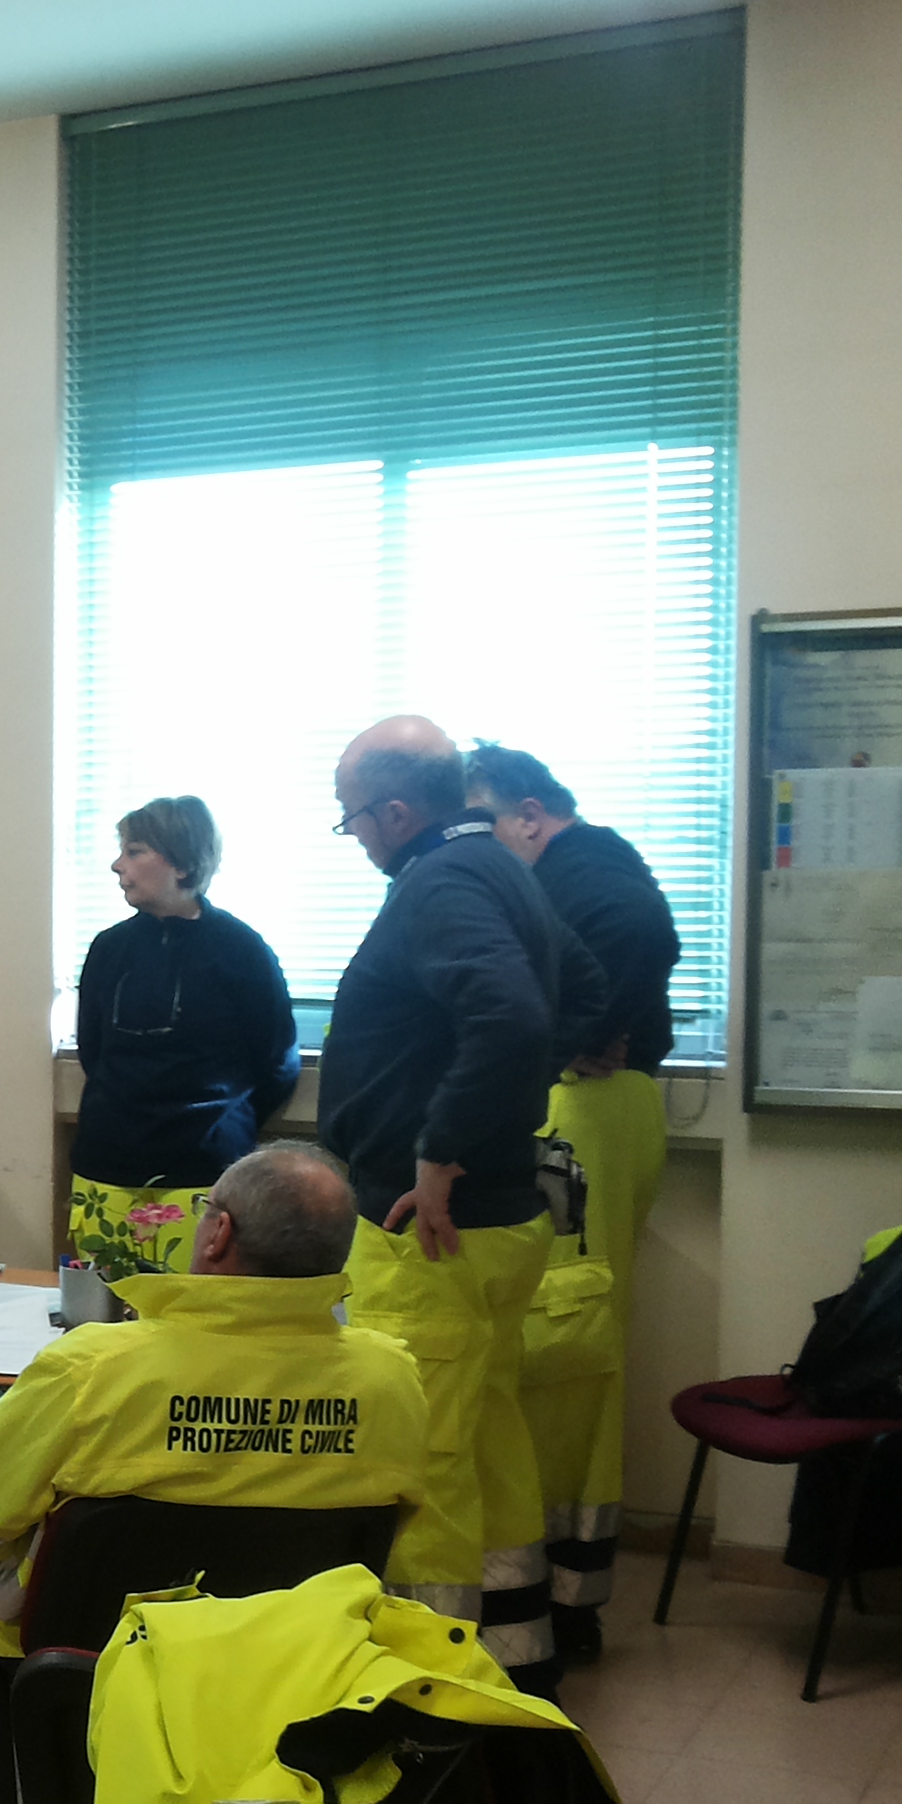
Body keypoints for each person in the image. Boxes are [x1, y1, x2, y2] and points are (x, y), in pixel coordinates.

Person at [0, 1142, 427, 1804]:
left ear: (218, 1234)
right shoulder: (392, 1379)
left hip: (86, 1648)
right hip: (294, 1650)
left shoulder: (96, 1367)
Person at [320, 718, 600, 1692]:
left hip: (429, 1231)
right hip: (500, 1218)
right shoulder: (500, 868)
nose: (353, 834)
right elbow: (584, 991)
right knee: (487, 1432)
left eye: (352, 817)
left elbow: (513, 1013)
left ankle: (429, 1680)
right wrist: (498, 1115)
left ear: (397, 811)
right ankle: (516, 1651)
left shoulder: (439, 882)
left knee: (423, 1450)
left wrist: (442, 1150)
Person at [466, 741, 682, 1661]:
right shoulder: (586, 866)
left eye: (483, 823)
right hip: (590, 1122)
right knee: (570, 1365)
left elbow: (637, 935)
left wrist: (568, 1038)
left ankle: (544, 1603)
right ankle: (565, 1595)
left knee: (550, 1355)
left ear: (529, 815)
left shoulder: (584, 868)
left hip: (576, 1124)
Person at [64, 795, 297, 1284]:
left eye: (134, 852)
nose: (117, 866)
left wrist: (220, 1121)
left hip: (204, 1169)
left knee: (197, 1310)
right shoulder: (108, 949)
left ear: (182, 863)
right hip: (107, 1163)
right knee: (108, 1311)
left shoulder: (241, 949)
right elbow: (94, 1051)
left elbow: (276, 1060)